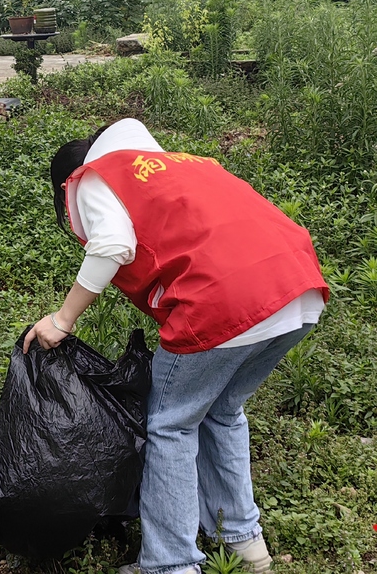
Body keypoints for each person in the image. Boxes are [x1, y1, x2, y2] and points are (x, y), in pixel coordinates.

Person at [24, 118, 329, 574]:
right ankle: (243, 539)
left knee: (171, 424)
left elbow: (111, 244)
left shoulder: (97, 176)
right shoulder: (189, 165)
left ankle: (171, 564)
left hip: (224, 302)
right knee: (223, 410)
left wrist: (61, 320)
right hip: (298, 290)